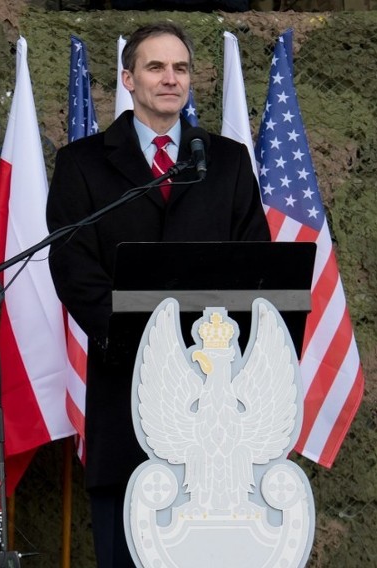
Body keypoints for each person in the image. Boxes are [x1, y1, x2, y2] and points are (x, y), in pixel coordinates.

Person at [46, 22, 270, 567]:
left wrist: (209, 353)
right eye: (155, 67)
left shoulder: (228, 160)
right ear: (128, 78)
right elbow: (74, 267)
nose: (171, 79)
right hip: (126, 389)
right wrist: (142, 343)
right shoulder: (83, 162)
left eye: (181, 68)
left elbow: (256, 265)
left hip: (217, 401)